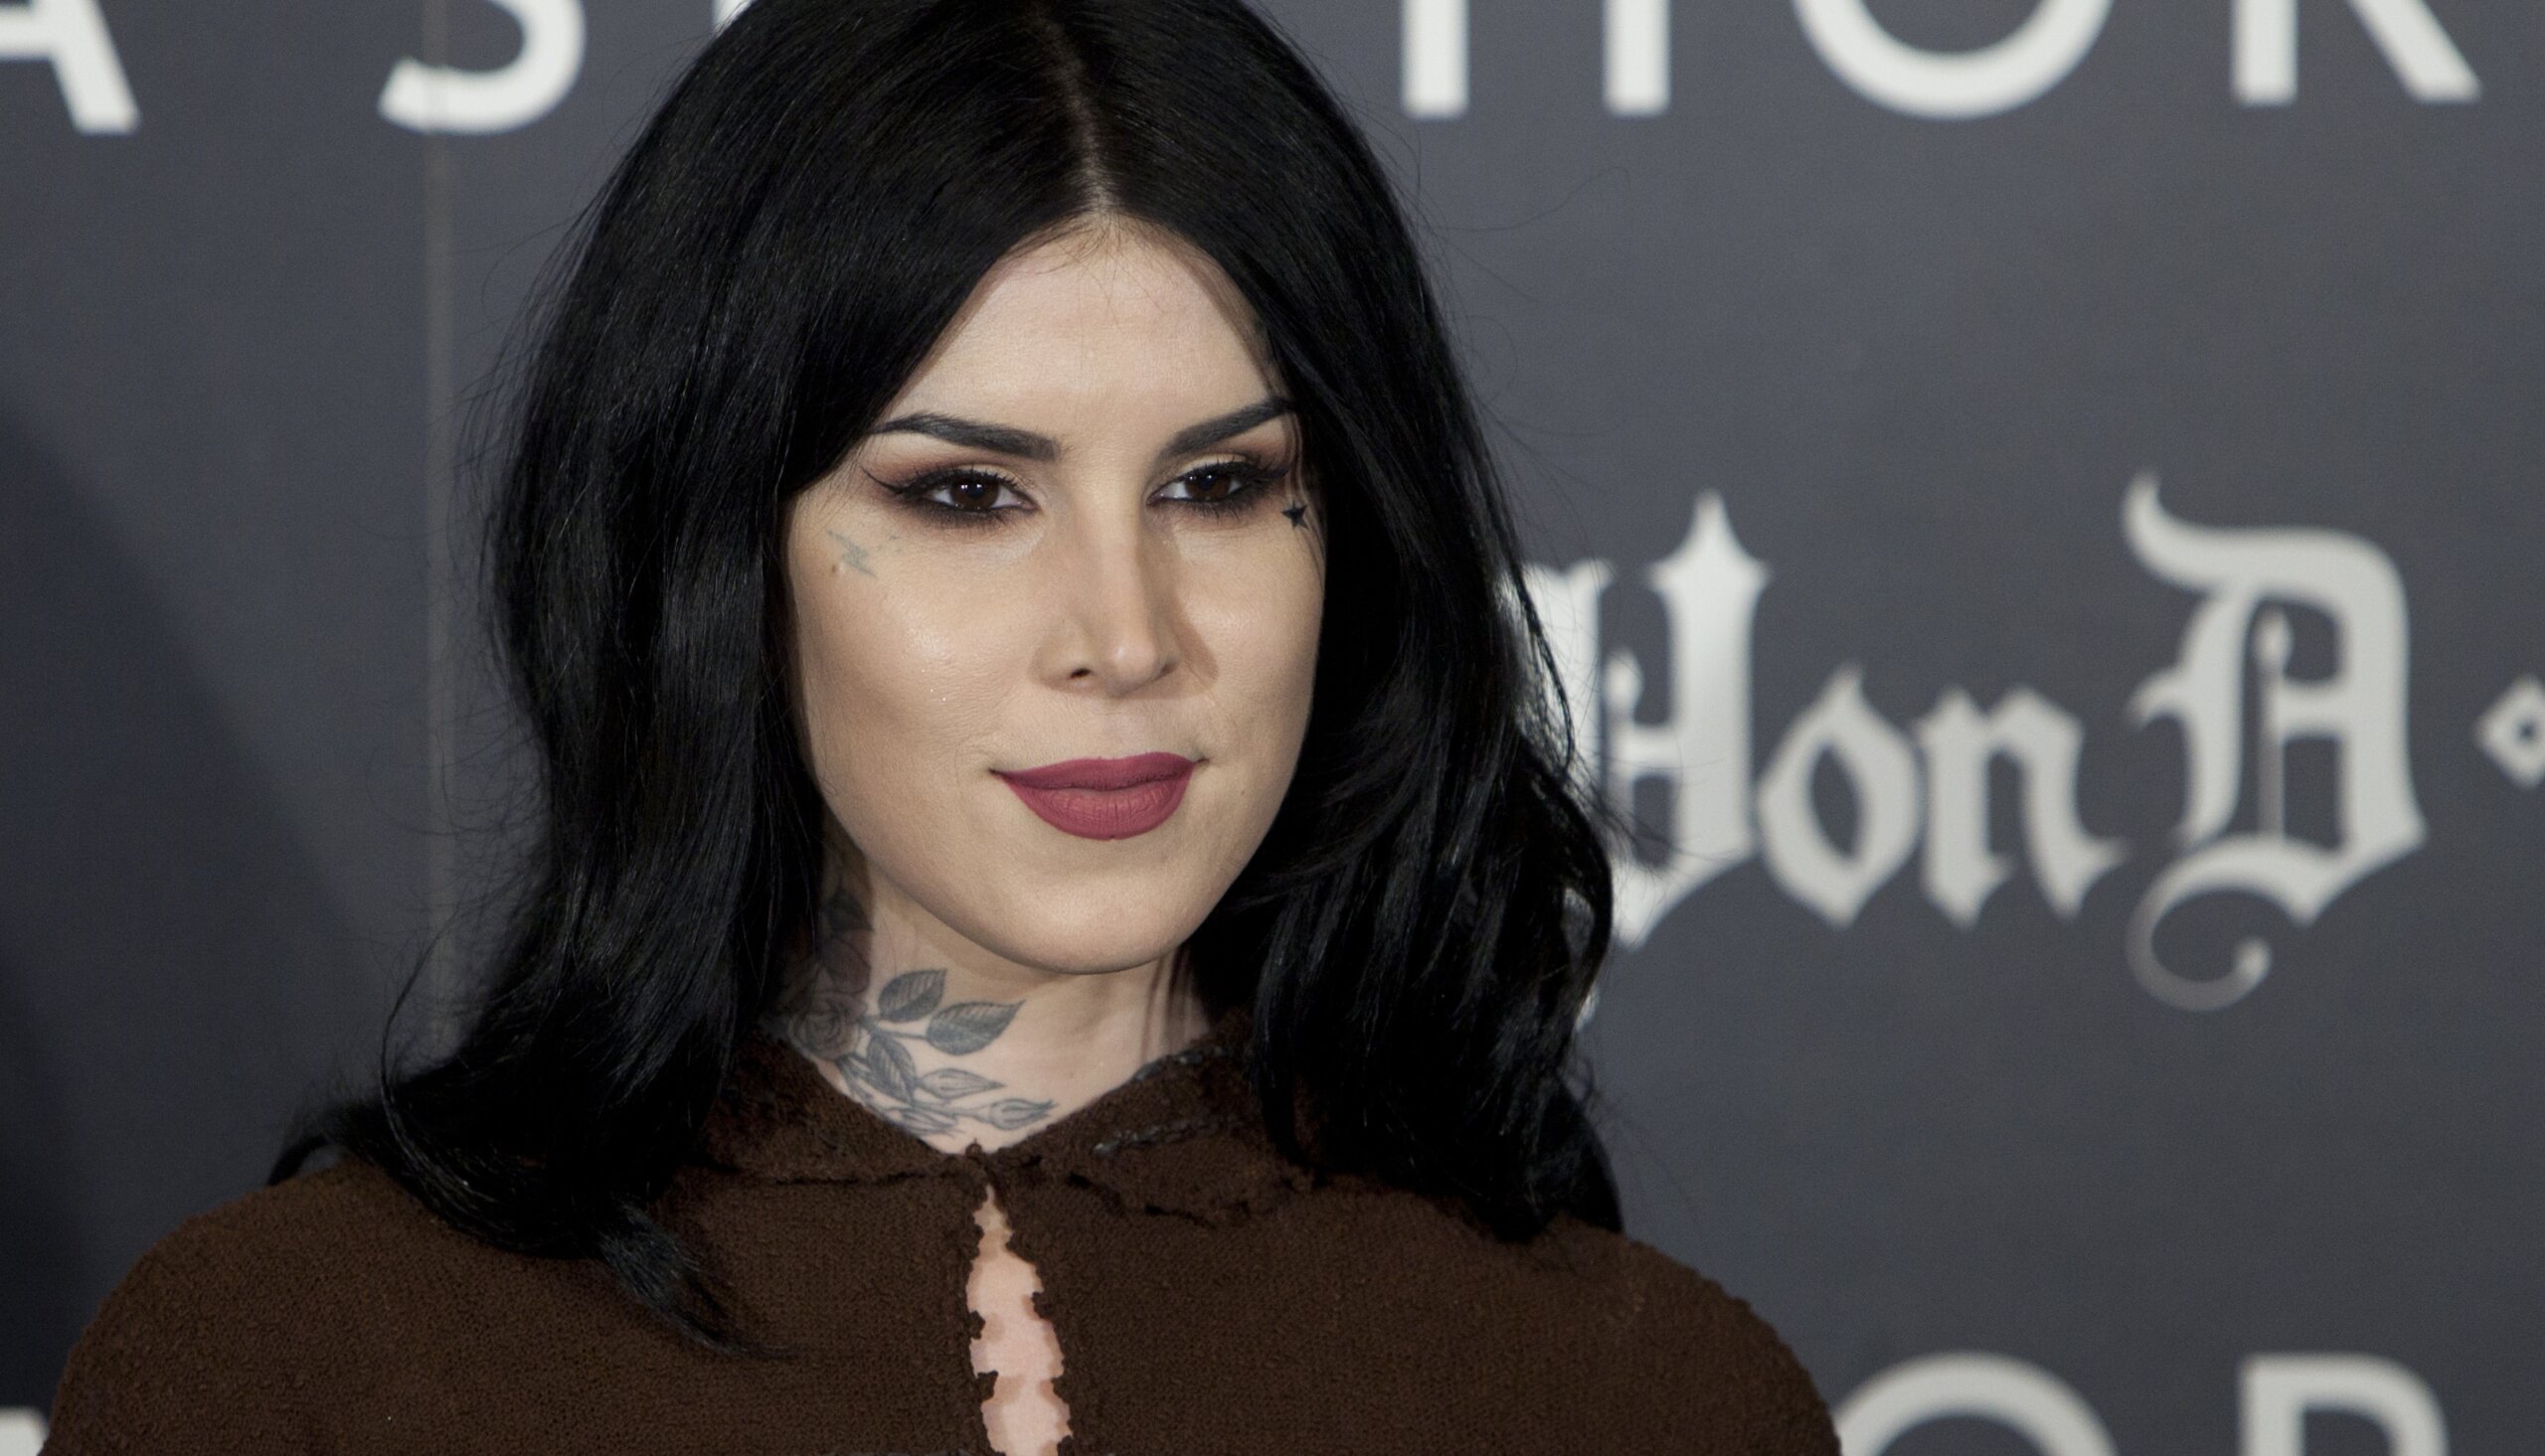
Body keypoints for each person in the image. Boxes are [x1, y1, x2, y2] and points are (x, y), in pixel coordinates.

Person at [44, 1, 1837, 1451]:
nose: (1125, 636)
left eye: (1219, 484)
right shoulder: (291, 1368)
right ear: (720, 556)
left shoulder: (1653, 1400)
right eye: (969, 495)